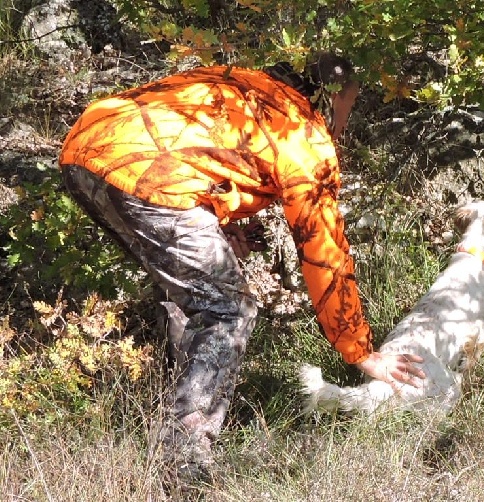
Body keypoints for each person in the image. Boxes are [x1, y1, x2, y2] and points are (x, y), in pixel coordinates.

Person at [58, 52, 425, 487]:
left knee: (189, 295)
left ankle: (172, 417)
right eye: (348, 107)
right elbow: (325, 254)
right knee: (227, 311)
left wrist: (215, 216)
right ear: (332, 99)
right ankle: (182, 462)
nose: (344, 122)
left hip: (85, 148)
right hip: (150, 174)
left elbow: (196, 147)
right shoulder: (303, 136)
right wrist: (360, 351)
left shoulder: (242, 82)